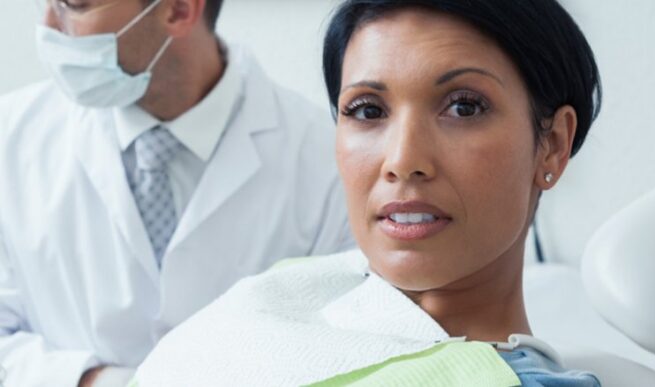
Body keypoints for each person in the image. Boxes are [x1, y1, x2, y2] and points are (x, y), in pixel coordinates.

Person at [134, 0, 603, 385]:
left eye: (463, 107)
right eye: (367, 110)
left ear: (553, 146)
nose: (402, 159)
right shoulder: (266, 305)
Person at [0, 0, 353, 386]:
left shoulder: (326, 161)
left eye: (75, 4)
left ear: (180, 10)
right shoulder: (11, 137)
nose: (49, 24)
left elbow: (341, 347)